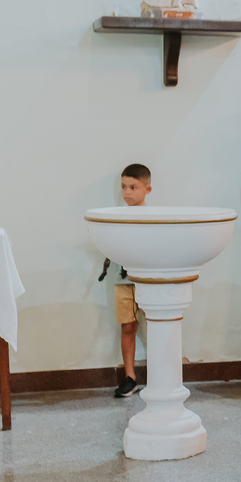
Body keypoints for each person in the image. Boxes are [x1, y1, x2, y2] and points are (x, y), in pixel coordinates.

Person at [103, 164, 154, 399]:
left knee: (156, 326)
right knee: (127, 326)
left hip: (148, 279)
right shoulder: (116, 217)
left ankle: (159, 376)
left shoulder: (154, 217)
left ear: (147, 189)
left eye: (133, 187)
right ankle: (130, 377)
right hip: (123, 280)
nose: (127, 192)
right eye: (124, 187)